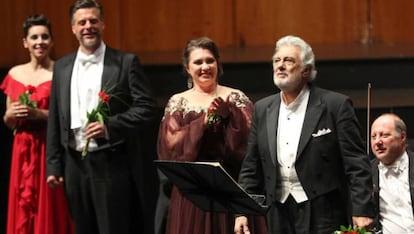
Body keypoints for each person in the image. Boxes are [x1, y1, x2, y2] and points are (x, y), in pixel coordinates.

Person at [234, 35, 374, 234]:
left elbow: (356, 163)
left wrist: (362, 209)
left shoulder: (335, 106)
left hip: (324, 212)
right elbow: (251, 166)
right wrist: (242, 211)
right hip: (278, 212)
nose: (280, 66)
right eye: (277, 60)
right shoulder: (262, 109)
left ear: (306, 70)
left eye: (289, 60)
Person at [45, 0, 157, 233]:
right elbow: (55, 118)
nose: (88, 26)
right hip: (73, 165)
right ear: (72, 28)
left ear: (103, 24)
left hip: (110, 162)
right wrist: (54, 166)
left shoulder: (125, 63)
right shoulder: (62, 66)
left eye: (93, 21)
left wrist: (110, 126)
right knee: (82, 228)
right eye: (82, 22)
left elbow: (147, 107)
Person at [156, 37, 267, 234]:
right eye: (198, 62)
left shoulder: (236, 98)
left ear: (218, 63)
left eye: (210, 60)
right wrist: (202, 123)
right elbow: (170, 149)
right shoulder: (178, 102)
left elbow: (251, 148)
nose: (205, 66)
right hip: (193, 195)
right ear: (187, 68)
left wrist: (229, 118)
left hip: (230, 190)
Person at [1, 14, 74, 234]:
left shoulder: (60, 72)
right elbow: (8, 120)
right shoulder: (14, 73)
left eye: (44, 37)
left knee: (50, 205)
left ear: (51, 41)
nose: (39, 41)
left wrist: (38, 113)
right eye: (34, 37)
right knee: (23, 204)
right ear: (25, 42)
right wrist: (10, 116)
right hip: (22, 148)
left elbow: (67, 117)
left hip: (48, 146)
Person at [370, 113, 414, 233]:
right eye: (373, 137)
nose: (377, 141)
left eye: (384, 135)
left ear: (403, 137)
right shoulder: (366, 174)